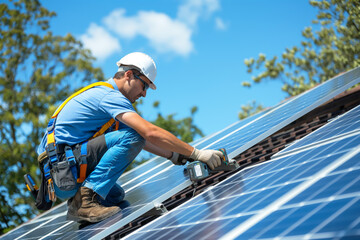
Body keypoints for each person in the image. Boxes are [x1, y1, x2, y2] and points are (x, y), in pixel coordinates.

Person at [37, 52, 223, 223]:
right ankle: (84, 203)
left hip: (62, 173)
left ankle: (82, 202)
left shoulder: (107, 100)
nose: (143, 94)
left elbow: (144, 140)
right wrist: (197, 153)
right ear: (129, 75)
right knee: (132, 136)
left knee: (115, 196)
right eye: (144, 86)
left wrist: (175, 155)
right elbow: (148, 132)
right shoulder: (109, 96)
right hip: (66, 171)